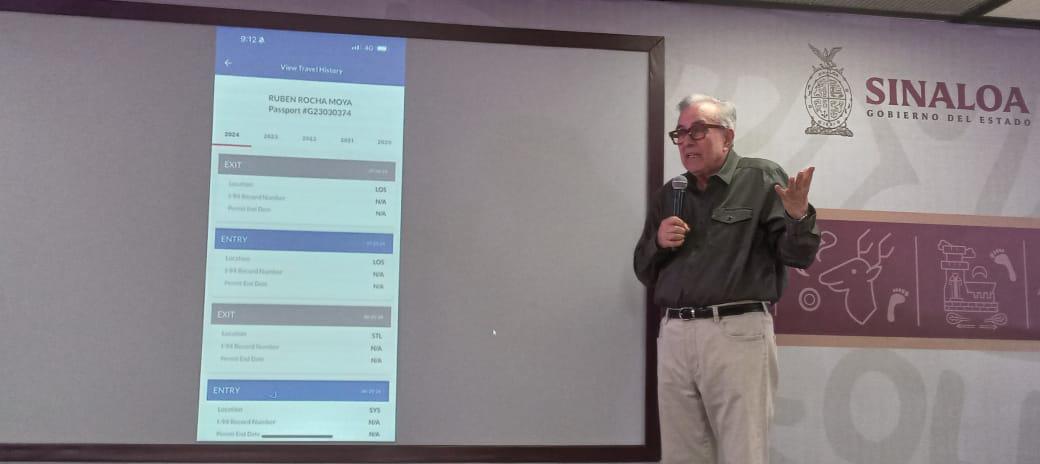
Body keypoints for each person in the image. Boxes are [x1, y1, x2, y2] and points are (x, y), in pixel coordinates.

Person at [633, 94, 821, 464]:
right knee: (681, 454)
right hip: (675, 334)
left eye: (698, 130)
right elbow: (643, 269)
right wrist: (658, 243)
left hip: (736, 332)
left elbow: (798, 256)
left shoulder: (761, 178)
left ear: (728, 137)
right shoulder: (671, 193)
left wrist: (798, 219)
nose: (686, 141)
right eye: (680, 133)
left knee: (743, 451)